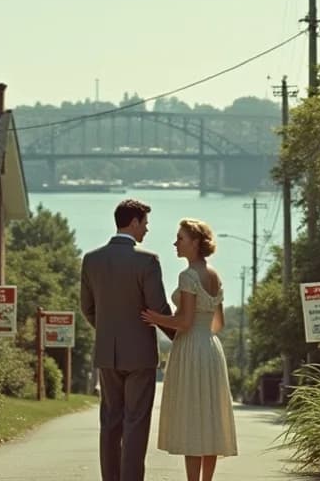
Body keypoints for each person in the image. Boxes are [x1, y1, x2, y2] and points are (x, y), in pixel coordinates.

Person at [80, 199, 174, 481]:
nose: (147, 229)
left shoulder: (91, 259)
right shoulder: (147, 260)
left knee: (110, 421)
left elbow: (88, 308)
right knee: (135, 422)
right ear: (133, 222)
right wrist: (180, 337)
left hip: (107, 353)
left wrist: (108, 329)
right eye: (145, 223)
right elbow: (158, 309)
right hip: (140, 355)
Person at [140, 218, 238, 481]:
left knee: (193, 417)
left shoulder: (188, 275)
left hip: (191, 347)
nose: (175, 243)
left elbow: (183, 321)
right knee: (209, 416)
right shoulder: (214, 275)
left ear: (195, 243)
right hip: (210, 348)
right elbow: (219, 323)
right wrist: (202, 336)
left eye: (180, 238)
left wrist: (154, 317)